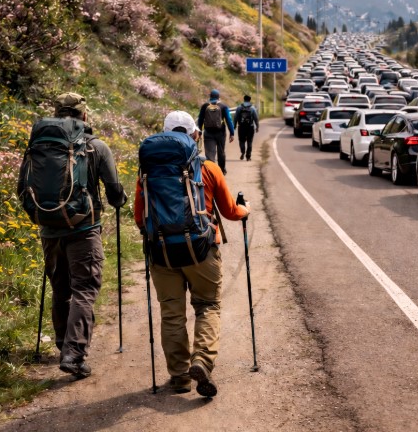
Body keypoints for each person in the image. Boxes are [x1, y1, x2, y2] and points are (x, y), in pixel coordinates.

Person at [135, 111, 250, 396]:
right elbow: (230, 212)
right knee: (207, 306)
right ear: (194, 135)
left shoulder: (147, 171)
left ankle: (179, 377)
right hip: (201, 250)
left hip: (162, 252)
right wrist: (245, 209)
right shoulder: (208, 168)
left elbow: (140, 217)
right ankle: (202, 360)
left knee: (172, 314)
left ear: (164, 132)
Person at [19, 92, 127, 378]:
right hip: (84, 230)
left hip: (49, 230)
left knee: (61, 289)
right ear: (84, 115)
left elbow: (22, 187)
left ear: (56, 113)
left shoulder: (38, 145)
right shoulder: (96, 147)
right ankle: (74, 354)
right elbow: (114, 192)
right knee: (85, 289)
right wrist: (119, 199)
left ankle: (62, 344)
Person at [196, 89, 235, 174]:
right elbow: (229, 120)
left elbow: (200, 119)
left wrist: (199, 131)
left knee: (210, 154)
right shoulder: (223, 106)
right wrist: (232, 133)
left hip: (208, 133)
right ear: (218, 97)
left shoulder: (205, 106)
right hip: (221, 133)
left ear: (210, 96)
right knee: (221, 152)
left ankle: (211, 172)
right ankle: (222, 171)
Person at [234, 94, 259, 161]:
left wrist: (234, 126)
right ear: (250, 100)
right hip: (250, 127)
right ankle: (248, 156)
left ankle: (242, 152)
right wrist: (257, 127)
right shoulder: (252, 108)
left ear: (244, 99)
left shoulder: (239, 107)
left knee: (241, 141)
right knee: (249, 141)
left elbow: (236, 117)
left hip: (241, 127)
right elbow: (256, 118)